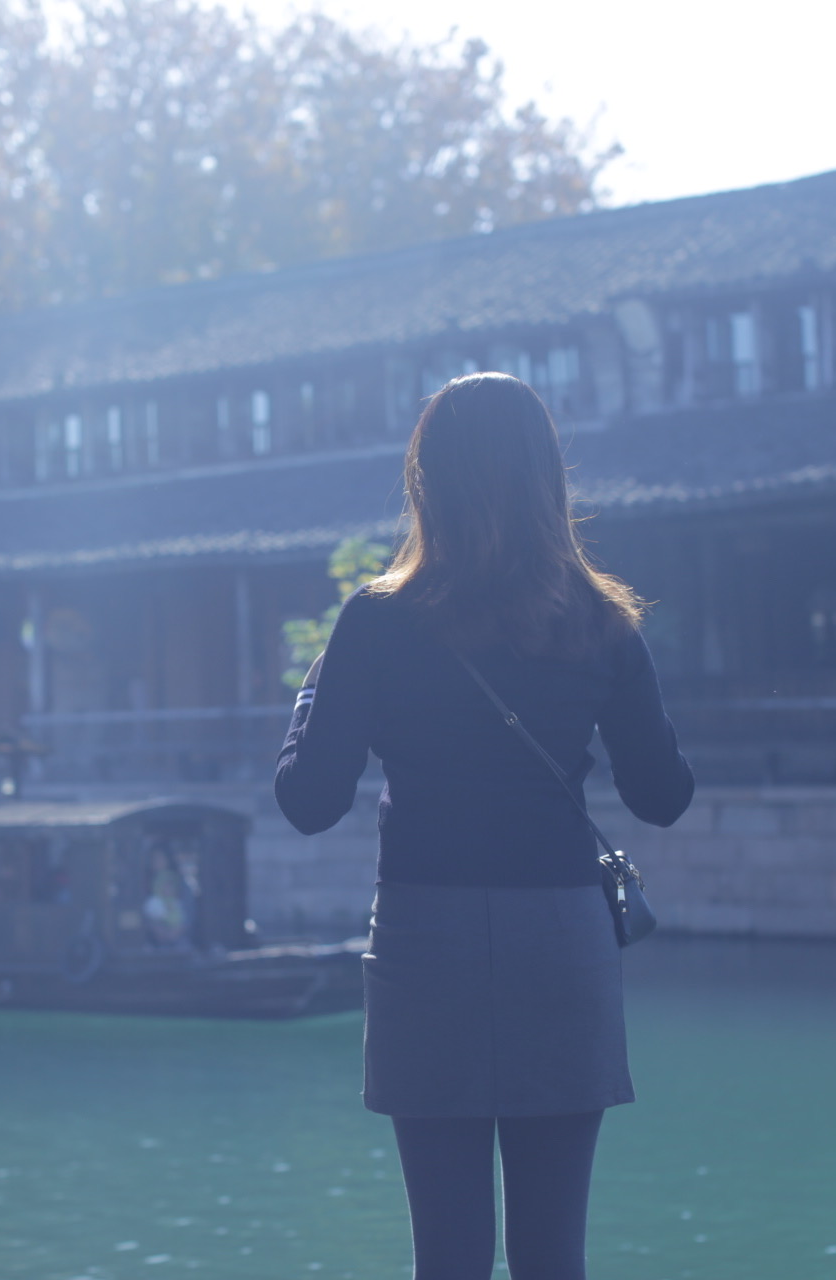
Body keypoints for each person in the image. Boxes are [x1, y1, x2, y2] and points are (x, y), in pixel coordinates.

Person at [274, 373, 694, 1280]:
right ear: (550, 478)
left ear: (425, 481)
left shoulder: (378, 621)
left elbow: (308, 802)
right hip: (562, 939)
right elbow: (662, 795)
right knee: (554, 1256)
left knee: (449, 1256)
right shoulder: (603, 622)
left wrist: (312, 696)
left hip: (429, 936)